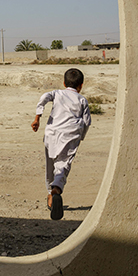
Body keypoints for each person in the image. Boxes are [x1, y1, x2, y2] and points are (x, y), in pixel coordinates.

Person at [31, 67, 92, 220]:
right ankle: (56, 189)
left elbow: (44, 97)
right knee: (63, 164)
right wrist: (81, 137)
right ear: (81, 85)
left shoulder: (57, 93)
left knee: (50, 165)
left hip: (52, 134)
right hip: (70, 135)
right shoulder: (82, 99)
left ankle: (50, 196)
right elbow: (87, 121)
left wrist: (37, 117)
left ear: (64, 83)